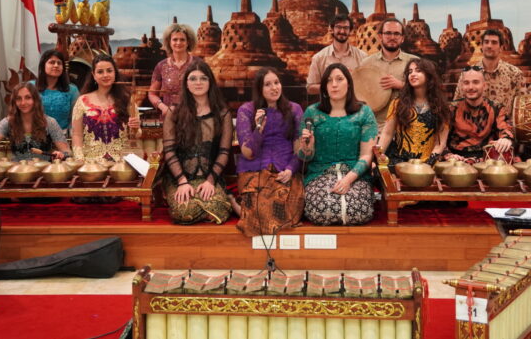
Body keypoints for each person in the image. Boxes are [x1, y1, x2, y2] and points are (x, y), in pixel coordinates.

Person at [298, 63, 378, 226]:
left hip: (355, 174)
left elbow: (366, 155)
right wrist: (307, 147)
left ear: (349, 83)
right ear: (324, 87)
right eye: (329, 80)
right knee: (321, 209)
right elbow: (304, 157)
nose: (334, 84)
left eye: (339, 79)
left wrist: (348, 180)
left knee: (358, 210)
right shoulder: (312, 112)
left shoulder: (364, 112)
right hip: (319, 174)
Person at [161, 60, 233, 224]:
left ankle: (221, 201)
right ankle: (211, 207)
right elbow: (169, 151)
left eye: (203, 78)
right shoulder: (174, 112)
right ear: (186, 84)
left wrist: (210, 181)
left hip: (209, 177)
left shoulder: (222, 114)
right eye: (193, 79)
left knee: (218, 207)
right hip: (179, 178)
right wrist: (182, 182)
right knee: (183, 211)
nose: (198, 83)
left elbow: (224, 152)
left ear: (210, 82)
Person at [234, 67, 304, 236]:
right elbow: (248, 153)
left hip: (285, 170)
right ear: (259, 89)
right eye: (268, 84)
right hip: (255, 170)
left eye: (276, 83)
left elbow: (300, 148)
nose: (274, 88)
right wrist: (258, 128)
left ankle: (240, 209)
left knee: (287, 208)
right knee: (261, 207)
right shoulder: (246, 111)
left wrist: (290, 169)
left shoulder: (294, 109)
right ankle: (237, 204)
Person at [377, 58, 450, 165]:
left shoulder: (441, 106)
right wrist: (378, 156)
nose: (413, 74)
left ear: (429, 75)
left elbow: (440, 144)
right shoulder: (397, 103)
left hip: (427, 163)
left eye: (418, 70)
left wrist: (428, 164)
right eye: (410, 72)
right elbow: (387, 134)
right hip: (398, 161)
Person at [71, 54, 140, 162]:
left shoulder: (127, 99)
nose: (105, 75)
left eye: (109, 71)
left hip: (121, 163)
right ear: (93, 75)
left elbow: (137, 134)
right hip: (91, 164)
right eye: (100, 72)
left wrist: (136, 128)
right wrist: (80, 160)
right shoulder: (82, 101)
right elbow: (77, 134)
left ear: (115, 73)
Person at [0, 82, 69, 162]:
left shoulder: (50, 123)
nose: (23, 103)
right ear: (14, 101)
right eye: (18, 98)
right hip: (17, 172)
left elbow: (67, 152)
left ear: (35, 100)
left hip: (44, 171)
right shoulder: (8, 122)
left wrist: (61, 155)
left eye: (28, 98)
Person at [445, 67, 514, 163]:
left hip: (488, 160)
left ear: (484, 86)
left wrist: (506, 139)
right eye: (466, 83)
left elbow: (506, 129)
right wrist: (448, 155)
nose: (470, 87)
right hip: (456, 160)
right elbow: (439, 139)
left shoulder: (496, 108)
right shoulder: (451, 108)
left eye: (475, 82)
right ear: (461, 86)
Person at [453, 29, 525, 118]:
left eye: (494, 42)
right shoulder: (467, 74)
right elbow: (457, 106)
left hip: (503, 125)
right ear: (482, 46)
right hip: (474, 126)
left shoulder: (515, 74)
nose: (489, 46)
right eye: (486, 42)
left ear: (501, 48)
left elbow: (522, 109)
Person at [360, 18, 419, 128]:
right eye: (388, 33)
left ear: (402, 38)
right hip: (375, 127)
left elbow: (425, 91)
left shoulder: (414, 62)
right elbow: (359, 97)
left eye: (396, 34)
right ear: (380, 36)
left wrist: (401, 85)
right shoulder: (366, 63)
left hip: (406, 127)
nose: (392, 37)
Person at [148, 23, 200, 120]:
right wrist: (163, 108)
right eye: (175, 39)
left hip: (194, 118)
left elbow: (209, 92)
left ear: (188, 42)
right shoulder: (161, 66)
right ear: (169, 42)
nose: (178, 43)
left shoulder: (198, 64)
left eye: (182, 39)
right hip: (168, 118)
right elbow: (152, 94)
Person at [306, 14, 366, 95]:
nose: (342, 31)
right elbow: (310, 88)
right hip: (329, 103)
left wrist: (350, 85)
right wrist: (330, 87)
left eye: (346, 28)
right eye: (338, 27)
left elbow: (368, 84)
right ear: (332, 29)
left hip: (354, 102)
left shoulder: (362, 57)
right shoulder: (319, 58)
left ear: (351, 31)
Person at [31, 49, 80, 132]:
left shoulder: (72, 90)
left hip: (64, 135)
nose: (56, 65)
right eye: (52, 62)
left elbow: (76, 117)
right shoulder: (31, 87)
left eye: (59, 63)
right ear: (43, 65)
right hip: (35, 134)